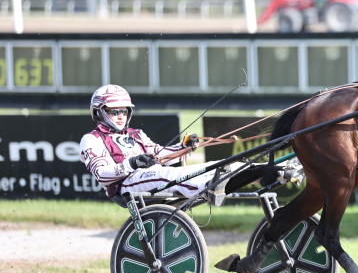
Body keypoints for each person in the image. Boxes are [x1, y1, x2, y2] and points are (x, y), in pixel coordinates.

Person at [80, 84, 271, 205]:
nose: (120, 116)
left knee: (209, 167)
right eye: (114, 112)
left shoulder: (136, 134)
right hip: (126, 186)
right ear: (99, 112)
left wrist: (183, 147)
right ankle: (208, 187)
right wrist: (132, 164)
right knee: (167, 175)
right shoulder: (92, 139)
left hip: (151, 177)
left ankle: (260, 171)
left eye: (123, 111)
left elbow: (162, 156)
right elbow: (102, 175)